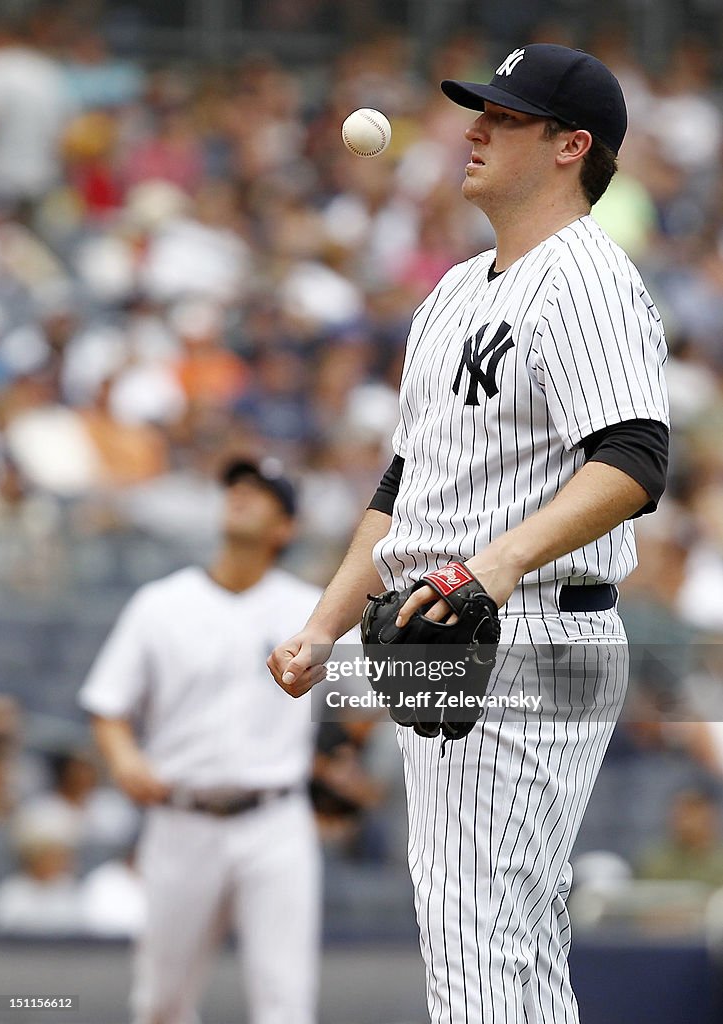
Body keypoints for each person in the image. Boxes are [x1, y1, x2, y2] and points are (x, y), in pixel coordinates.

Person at [269, 43, 669, 1023]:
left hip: (523, 626)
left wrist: (480, 576)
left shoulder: (586, 276)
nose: (475, 128)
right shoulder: (454, 291)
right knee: (512, 945)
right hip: (464, 632)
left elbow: (633, 459)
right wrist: (324, 626)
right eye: (479, 109)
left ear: (573, 146)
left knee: (476, 937)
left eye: (507, 116)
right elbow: (405, 486)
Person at [80, 457, 323, 1024]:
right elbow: (108, 705)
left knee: (285, 1004)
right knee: (161, 1004)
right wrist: (123, 759)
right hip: (181, 816)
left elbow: (357, 705)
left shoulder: (310, 611)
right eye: (234, 487)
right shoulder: (161, 604)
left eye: (259, 492)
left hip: (276, 819)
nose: (239, 496)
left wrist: (343, 762)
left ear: (284, 527)